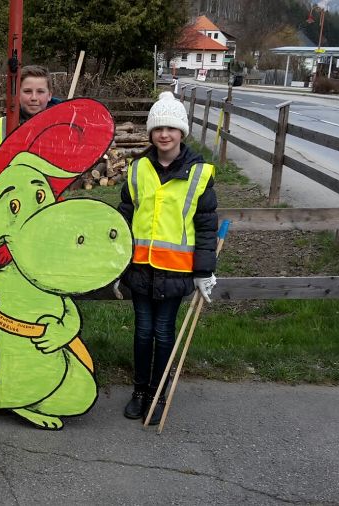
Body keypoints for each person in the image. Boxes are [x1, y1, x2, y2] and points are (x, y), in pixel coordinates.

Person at [116, 91, 218, 425]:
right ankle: (140, 391)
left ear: (182, 132)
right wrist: (117, 265)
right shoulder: (137, 170)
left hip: (176, 271)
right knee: (143, 331)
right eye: (158, 128)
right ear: (150, 133)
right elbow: (124, 220)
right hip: (142, 268)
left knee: (163, 331)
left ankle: (160, 393)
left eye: (171, 128)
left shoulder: (199, 173)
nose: (164, 134)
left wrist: (204, 271)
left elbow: (205, 226)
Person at [0, 64, 62, 146]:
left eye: (40, 92)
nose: (34, 98)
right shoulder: (2, 128)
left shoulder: (64, 126)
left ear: (49, 95)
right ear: (18, 94)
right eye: (27, 91)